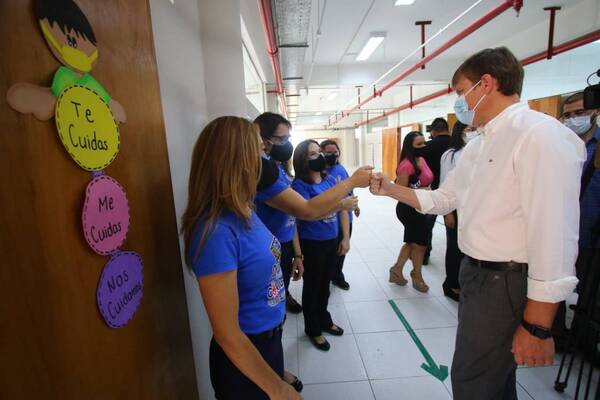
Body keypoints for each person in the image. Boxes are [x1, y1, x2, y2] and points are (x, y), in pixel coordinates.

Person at [370, 47, 585, 400]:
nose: (459, 103)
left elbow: (554, 233)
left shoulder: (538, 135)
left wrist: (538, 325)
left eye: (460, 91)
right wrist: (392, 189)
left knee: (473, 382)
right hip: (478, 276)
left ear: (486, 83)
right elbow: (443, 199)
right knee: (492, 380)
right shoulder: (478, 144)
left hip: (507, 279)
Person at [181, 116, 301, 400]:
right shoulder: (215, 232)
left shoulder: (245, 210)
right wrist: (278, 390)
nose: (265, 160)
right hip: (243, 357)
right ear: (237, 160)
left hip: (268, 343)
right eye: (258, 151)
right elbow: (227, 333)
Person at [254, 112, 371, 389]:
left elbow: (299, 216)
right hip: (273, 249)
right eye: (278, 138)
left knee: (283, 308)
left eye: (286, 138)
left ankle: (275, 366)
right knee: (272, 312)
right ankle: (273, 368)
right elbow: (306, 212)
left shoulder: (275, 166)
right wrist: (350, 183)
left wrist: (298, 252)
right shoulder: (265, 171)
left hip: (282, 246)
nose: (282, 144)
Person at [292, 140, 349, 351]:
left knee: (325, 285)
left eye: (319, 153)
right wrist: (340, 204)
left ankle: (324, 318)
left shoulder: (329, 180)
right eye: (313, 154)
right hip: (312, 243)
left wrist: (345, 238)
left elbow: (342, 209)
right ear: (302, 160)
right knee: (312, 287)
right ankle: (312, 328)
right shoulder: (299, 186)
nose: (320, 157)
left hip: (331, 239)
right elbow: (308, 216)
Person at [389, 131, 434, 293]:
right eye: (419, 144)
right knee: (420, 244)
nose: (424, 147)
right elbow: (400, 191)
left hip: (423, 207)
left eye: (424, 143)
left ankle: (397, 270)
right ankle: (417, 276)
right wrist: (421, 191)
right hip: (409, 209)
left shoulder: (421, 159)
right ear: (410, 147)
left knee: (413, 242)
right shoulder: (406, 165)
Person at [439, 121, 478, 301]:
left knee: (467, 248)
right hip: (454, 207)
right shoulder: (451, 155)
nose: (473, 132)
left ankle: (465, 283)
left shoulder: (479, 151)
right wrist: (447, 213)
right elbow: (444, 184)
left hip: (473, 208)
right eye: (469, 129)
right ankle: (452, 284)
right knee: (454, 248)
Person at [321, 139, 359, 290]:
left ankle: (337, 275)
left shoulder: (341, 169)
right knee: (330, 252)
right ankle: (327, 275)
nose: (332, 155)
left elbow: (350, 189)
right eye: (328, 153)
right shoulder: (319, 172)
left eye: (335, 152)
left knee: (343, 248)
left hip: (346, 218)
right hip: (328, 219)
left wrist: (356, 205)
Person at [422, 117, 451, 264]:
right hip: (454, 193)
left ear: (433, 131)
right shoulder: (457, 145)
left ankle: (425, 256)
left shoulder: (427, 146)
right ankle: (456, 258)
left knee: (426, 227)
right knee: (453, 230)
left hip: (432, 192)